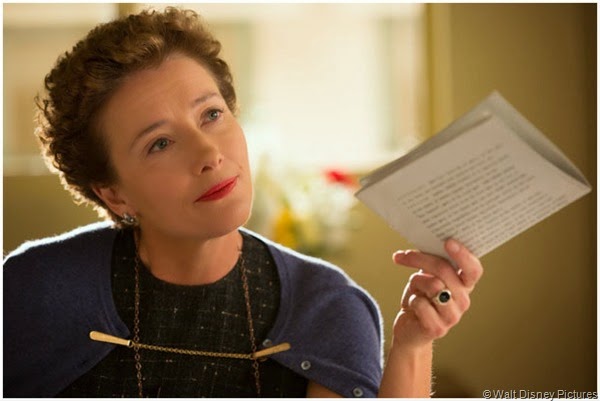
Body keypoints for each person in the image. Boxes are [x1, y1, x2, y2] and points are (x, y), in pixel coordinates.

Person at [3, 7, 483, 398]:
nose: (209, 154)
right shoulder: (30, 291)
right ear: (113, 193)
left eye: (211, 114)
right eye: (160, 143)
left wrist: (412, 345)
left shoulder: (328, 306)